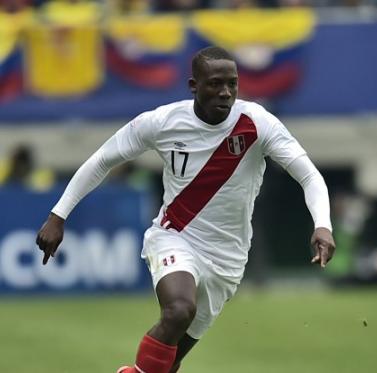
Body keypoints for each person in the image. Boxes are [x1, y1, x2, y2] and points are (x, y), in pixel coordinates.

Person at [35, 46, 336, 373]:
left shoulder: (258, 124)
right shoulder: (162, 122)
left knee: (169, 362)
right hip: (175, 236)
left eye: (232, 84)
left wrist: (322, 224)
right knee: (179, 310)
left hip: (228, 259)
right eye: (215, 84)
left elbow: (308, 174)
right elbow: (103, 160)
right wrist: (58, 215)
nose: (225, 93)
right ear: (194, 86)